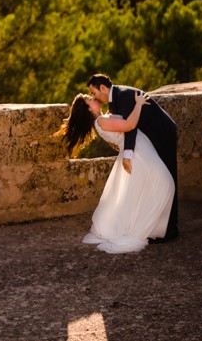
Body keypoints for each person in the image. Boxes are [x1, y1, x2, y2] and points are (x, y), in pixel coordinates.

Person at [56, 88, 174, 253]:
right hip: (138, 154)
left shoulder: (103, 119)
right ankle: (140, 229)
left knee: (146, 190)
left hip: (139, 151)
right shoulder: (101, 122)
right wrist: (138, 104)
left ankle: (148, 227)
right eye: (89, 98)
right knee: (165, 184)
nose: (93, 97)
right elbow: (130, 125)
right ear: (89, 108)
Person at [87, 73, 179, 241]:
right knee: (154, 184)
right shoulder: (114, 103)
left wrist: (127, 154)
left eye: (94, 92)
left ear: (102, 88)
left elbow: (131, 128)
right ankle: (156, 226)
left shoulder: (125, 96)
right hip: (148, 143)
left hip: (162, 135)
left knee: (167, 180)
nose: (94, 96)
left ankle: (170, 229)